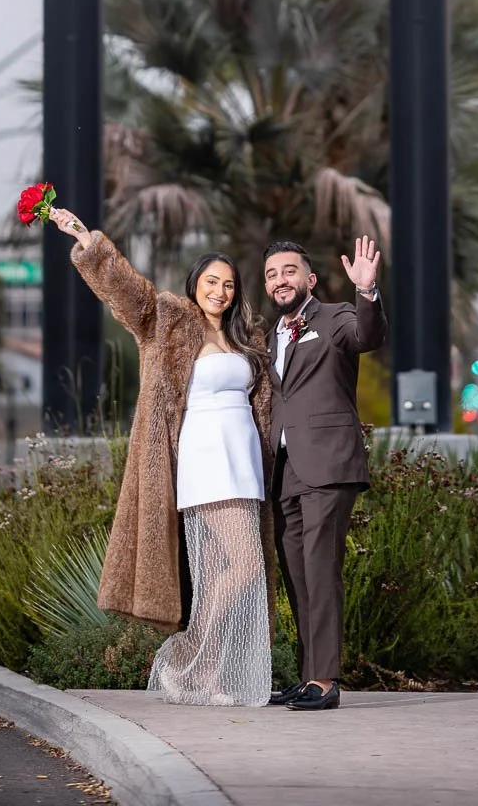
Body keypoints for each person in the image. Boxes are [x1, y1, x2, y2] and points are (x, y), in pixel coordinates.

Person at [50, 207, 273, 707]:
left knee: (221, 571)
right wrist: (89, 243)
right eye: (212, 282)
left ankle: (205, 676)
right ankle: (189, 657)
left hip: (245, 460)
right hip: (204, 457)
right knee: (245, 565)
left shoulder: (246, 336)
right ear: (195, 284)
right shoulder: (169, 320)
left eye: (230, 285)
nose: (220, 291)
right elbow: (131, 295)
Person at [265, 234, 387, 712]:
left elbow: (367, 336)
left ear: (309, 279)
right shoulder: (268, 334)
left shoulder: (334, 317)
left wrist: (367, 292)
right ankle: (307, 676)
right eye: (272, 274)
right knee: (298, 575)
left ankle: (324, 679)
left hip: (328, 465)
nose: (281, 280)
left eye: (289, 271)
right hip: (284, 471)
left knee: (320, 569)